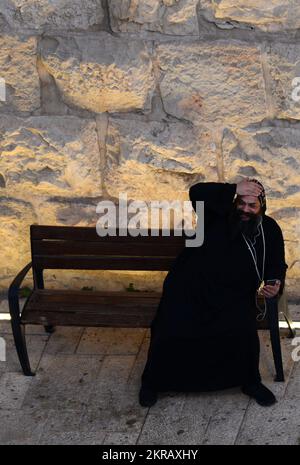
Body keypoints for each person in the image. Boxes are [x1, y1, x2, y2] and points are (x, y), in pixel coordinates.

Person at [139, 178, 288, 408]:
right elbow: (196, 192)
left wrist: (275, 282)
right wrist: (233, 188)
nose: (245, 210)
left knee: (244, 332)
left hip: (235, 295)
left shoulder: (269, 229)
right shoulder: (215, 215)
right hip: (190, 288)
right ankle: (152, 383)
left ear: (262, 207)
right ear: (234, 201)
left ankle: (250, 382)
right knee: (170, 328)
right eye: (241, 203)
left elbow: (276, 263)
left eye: (252, 206)